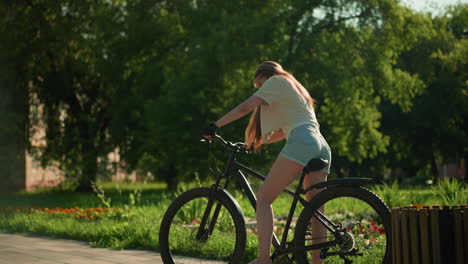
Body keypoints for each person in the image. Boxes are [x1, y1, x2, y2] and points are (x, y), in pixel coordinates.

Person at [202, 61, 331, 264]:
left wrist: (215, 125)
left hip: (303, 141)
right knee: (315, 209)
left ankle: (263, 260)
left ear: (263, 75)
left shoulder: (275, 81)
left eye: (259, 85)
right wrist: (260, 141)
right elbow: (290, 127)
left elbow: (246, 107)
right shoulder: (295, 85)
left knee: (263, 198)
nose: (261, 90)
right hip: (320, 143)